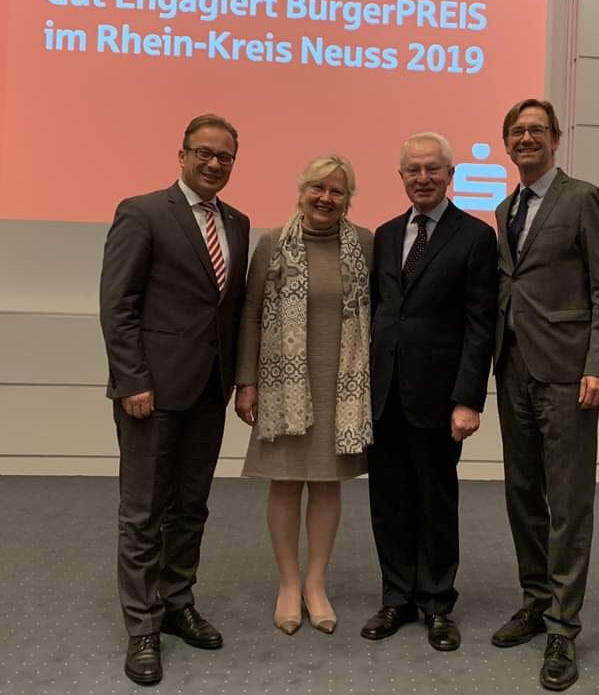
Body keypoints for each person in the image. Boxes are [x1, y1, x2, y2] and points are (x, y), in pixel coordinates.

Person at [99, 114, 250, 686]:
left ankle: (176, 601)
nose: (214, 163)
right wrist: (132, 379)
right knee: (143, 513)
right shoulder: (141, 212)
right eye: (204, 153)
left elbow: (228, 311)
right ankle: (142, 627)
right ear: (182, 154)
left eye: (225, 156)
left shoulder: (236, 222)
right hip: (151, 392)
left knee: (191, 507)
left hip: (208, 391)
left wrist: (238, 380)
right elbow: (119, 305)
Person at [492, 99, 599, 691]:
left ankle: (563, 628)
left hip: (570, 373)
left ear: (555, 139)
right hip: (512, 368)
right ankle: (535, 599)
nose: (526, 138)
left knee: (568, 501)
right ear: (507, 142)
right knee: (521, 491)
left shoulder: (583, 198)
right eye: (517, 132)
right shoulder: (504, 207)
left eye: (536, 130)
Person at [361, 132, 497, 652]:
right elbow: (381, 312)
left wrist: (468, 398)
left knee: (436, 501)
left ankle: (438, 603)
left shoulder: (475, 236)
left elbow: (479, 324)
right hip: (385, 393)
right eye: (413, 170)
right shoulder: (387, 233)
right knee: (388, 500)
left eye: (433, 169)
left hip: (441, 399)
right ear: (401, 177)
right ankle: (397, 597)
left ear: (450, 175)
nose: (423, 178)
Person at [234, 155, 373, 636]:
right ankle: (289, 585)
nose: (326, 198)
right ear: (302, 190)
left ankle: (317, 584)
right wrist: (246, 382)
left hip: (343, 386)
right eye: (318, 187)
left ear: (348, 198)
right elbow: (249, 313)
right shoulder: (272, 243)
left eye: (337, 190)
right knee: (286, 481)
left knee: (328, 482)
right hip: (281, 386)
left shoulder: (366, 245)